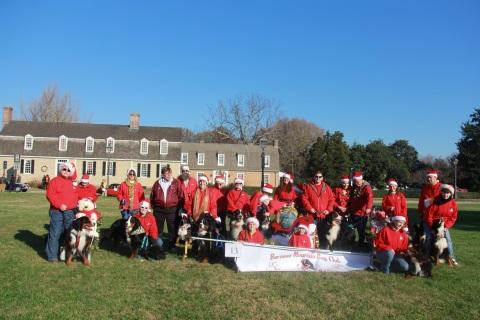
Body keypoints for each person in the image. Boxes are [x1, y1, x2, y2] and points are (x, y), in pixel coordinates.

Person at [45, 162, 78, 262]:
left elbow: (79, 194)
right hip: (57, 211)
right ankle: (52, 256)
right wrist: (59, 205)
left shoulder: (73, 183)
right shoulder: (54, 181)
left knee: (68, 233)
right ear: (60, 169)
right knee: (55, 233)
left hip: (70, 212)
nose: (66, 171)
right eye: (64, 169)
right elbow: (50, 195)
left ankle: (67, 254)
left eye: (68, 170)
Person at [423, 184, 459, 265]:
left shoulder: (453, 203)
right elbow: (429, 216)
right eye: (444, 192)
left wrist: (445, 227)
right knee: (428, 238)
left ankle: (451, 257)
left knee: (448, 240)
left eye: (448, 193)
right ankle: (426, 256)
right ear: (441, 192)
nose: (445, 195)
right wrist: (433, 229)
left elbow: (453, 217)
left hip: (444, 225)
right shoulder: (434, 201)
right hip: (432, 223)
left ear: (451, 194)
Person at [150, 164, 184, 250]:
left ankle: (172, 245)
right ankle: (158, 245)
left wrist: (180, 208)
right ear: (162, 174)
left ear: (171, 173)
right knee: (158, 229)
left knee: (172, 229)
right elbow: (152, 196)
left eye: (169, 173)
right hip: (159, 210)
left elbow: (181, 196)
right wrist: (153, 207)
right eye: (165, 174)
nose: (168, 175)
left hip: (172, 210)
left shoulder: (176, 183)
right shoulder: (157, 183)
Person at [301, 171, 335, 246]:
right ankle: (312, 251)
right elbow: (304, 199)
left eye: (320, 177)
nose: (318, 178)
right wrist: (310, 208)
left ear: (322, 178)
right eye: (316, 176)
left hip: (324, 216)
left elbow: (332, 199)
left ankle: (323, 251)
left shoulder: (327, 187)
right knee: (311, 234)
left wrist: (328, 210)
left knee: (323, 235)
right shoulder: (308, 187)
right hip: (312, 215)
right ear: (314, 177)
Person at [348, 171, 373, 249]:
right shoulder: (354, 186)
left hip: (362, 214)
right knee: (350, 229)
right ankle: (351, 244)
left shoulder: (366, 187)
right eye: (355, 181)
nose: (356, 183)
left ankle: (361, 246)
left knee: (361, 231)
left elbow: (370, 198)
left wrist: (368, 208)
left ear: (361, 179)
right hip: (353, 212)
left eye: (357, 181)